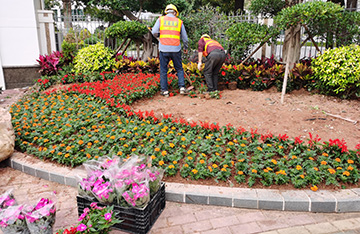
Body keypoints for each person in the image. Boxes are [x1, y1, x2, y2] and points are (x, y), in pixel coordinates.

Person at [152, 4, 189, 97]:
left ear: (166, 11)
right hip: (176, 49)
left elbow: (153, 32)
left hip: (163, 48)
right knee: (179, 69)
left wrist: (159, 37)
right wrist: (185, 47)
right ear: (175, 12)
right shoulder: (179, 22)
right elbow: (185, 38)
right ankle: (182, 88)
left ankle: (164, 91)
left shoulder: (160, 20)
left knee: (164, 70)